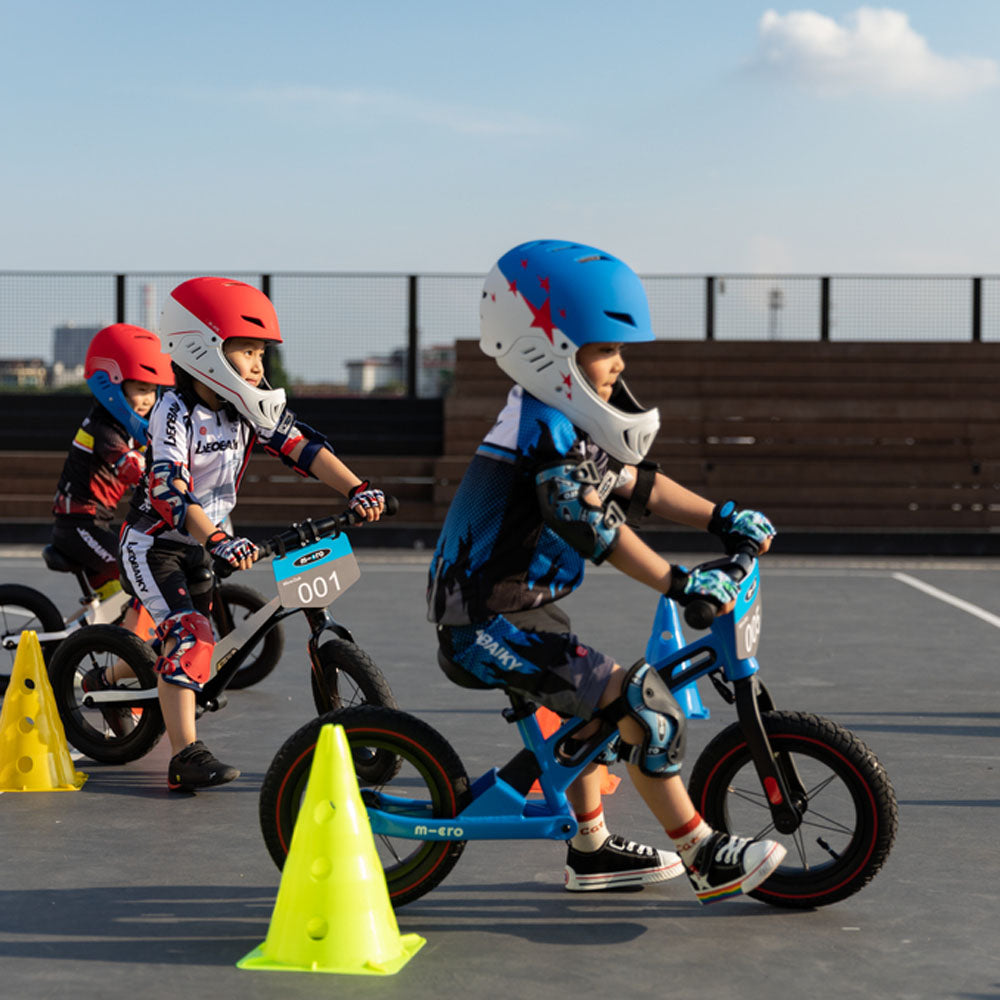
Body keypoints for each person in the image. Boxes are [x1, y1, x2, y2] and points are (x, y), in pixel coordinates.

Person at [428, 239, 786, 904]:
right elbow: (595, 528)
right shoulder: (541, 432)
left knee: (586, 712)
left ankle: (590, 852)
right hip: (482, 619)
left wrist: (725, 517)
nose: (617, 364)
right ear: (546, 346)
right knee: (640, 705)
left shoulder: (565, 420)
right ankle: (703, 854)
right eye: (600, 348)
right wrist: (681, 584)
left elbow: (637, 485)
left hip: (519, 606)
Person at [118, 276, 386, 793]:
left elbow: (300, 445)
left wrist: (358, 489)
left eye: (262, 351)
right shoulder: (173, 412)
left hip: (203, 543)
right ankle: (185, 756)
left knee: (203, 647)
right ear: (203, 349)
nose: (259, 365)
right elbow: (169, 489)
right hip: (156, 545)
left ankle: (113, 675)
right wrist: (217, 540)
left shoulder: (247, 405)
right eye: (247, 350)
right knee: (191, 636)